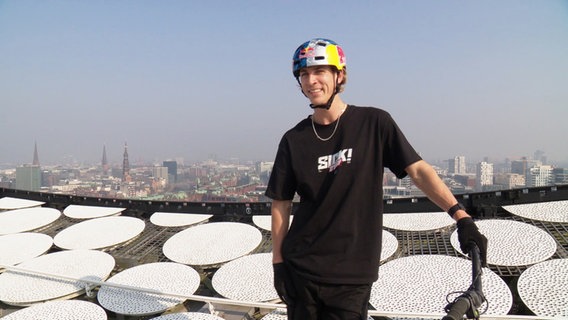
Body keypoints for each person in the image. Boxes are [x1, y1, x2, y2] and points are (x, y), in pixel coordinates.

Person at [265, 38, 488, 320]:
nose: (311, 81)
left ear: (339, 75)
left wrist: (461, 217)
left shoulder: (374, 123)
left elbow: (418, 171)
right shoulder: (293, 140)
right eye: (304, 74)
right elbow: (281, 203)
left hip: (352, 274)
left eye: (319, 71)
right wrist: (279, 263)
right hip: (301, 269)